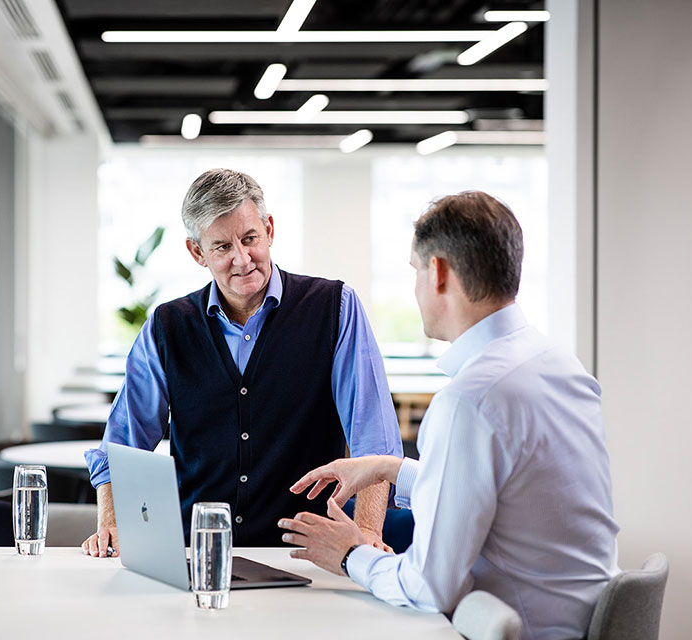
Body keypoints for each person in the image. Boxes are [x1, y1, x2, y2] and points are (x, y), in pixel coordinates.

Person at [280, 191, 619, 640]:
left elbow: (429, 588)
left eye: (414, 271)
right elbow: (511, 495)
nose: (416, 287)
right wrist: (390, 469)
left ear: (437, 272)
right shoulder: (556, 363)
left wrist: (349, 554)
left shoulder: (470, 399)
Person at [81, 168, 402, 556]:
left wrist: (368, 529)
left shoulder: (335, 308)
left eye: (250, 238)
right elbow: (122, 445)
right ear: (197, 252)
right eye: (221, 247)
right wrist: (111, 523)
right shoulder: (167, 327)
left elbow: (375, 440)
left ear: (269, 229)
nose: (242, 258)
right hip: (195, 552)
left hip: (306, 554)